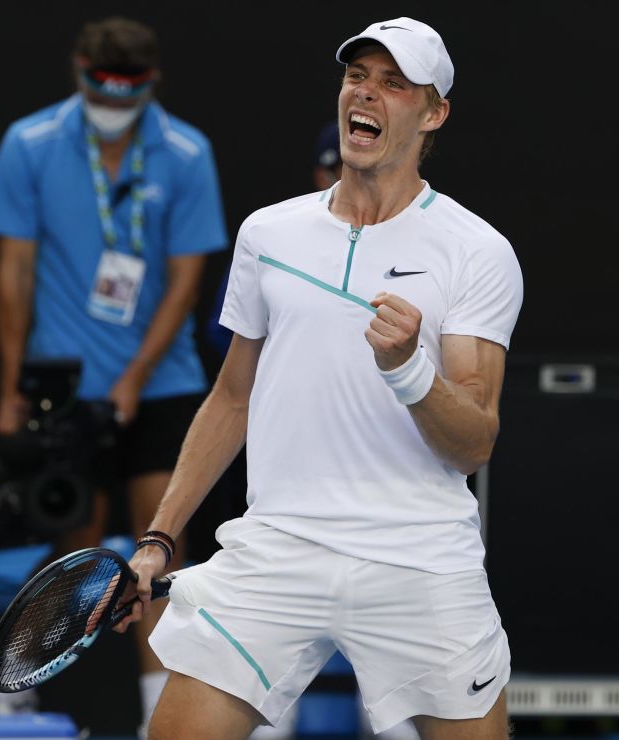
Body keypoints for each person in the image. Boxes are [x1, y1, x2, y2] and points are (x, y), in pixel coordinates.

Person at [115, 17, 524, 740]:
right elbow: (232, 397)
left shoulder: (477, 252)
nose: (366, 93)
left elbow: (472, 443)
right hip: (278, 547)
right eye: (357, 76)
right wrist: (158, 539)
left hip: (418, 556)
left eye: (395, 84)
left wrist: (407, 369)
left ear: (433, 114)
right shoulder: (268, 234)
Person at [0, 16, 227, 728]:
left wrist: (135, 377)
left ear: (152, 85)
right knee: (71, 554)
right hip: (66, 389)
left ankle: (159, 719)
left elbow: (185, 282)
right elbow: (13, 274)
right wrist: (16, 388)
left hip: (162, 385)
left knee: (162, 554)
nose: (111, 103)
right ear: (78, 69)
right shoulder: (30, 143)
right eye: (99, 87)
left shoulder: (184, 151)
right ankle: (10, 698)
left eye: (127, 92)